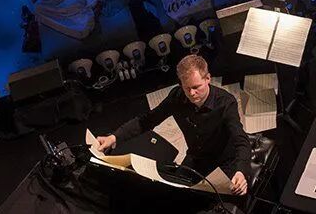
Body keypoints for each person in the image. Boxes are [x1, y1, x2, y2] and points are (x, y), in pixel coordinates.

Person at [95, 55, 250, 196]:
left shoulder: (226, 102)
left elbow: (241, 140)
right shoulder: (177, 97)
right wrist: (114, 137)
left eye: (196, 87)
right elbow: (147, 120)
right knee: (172, 194)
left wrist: (241, 171)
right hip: (196, 157)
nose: (191, 93)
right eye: (186, 87)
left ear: (208, 78)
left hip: (224, 162)